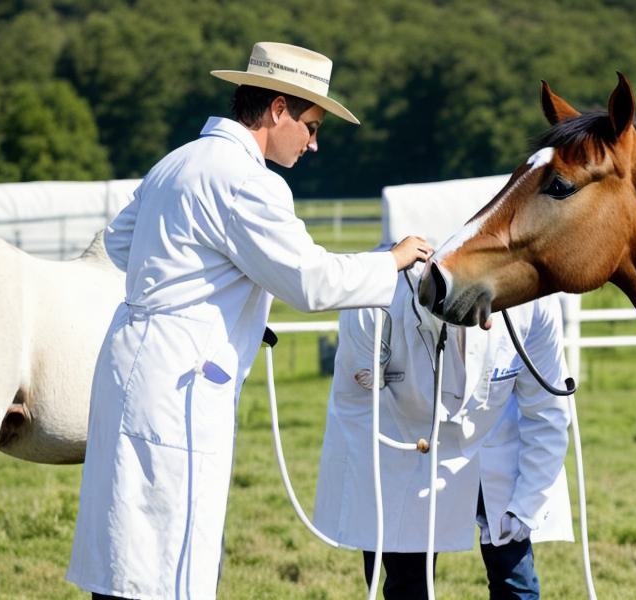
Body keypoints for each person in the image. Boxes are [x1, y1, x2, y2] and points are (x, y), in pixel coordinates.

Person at [66, 42, 434, 599]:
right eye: (311, 125)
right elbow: (311, 281)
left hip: (133, 365)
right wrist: (393, 259)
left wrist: (211, 291)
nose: (314, 143)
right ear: (278, 109)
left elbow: (121, 245)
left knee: (125, 545)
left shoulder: (176, 161)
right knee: (167, 555)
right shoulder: (247, 179)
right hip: (180, 380)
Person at [314, 262, 573, 600]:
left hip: (494, 446)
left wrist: (528, 502)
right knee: (408, 582)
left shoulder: (531, 299)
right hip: (407, 450)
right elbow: (359, 408)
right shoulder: (377, 296)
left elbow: (547, 413)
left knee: (516, 579)